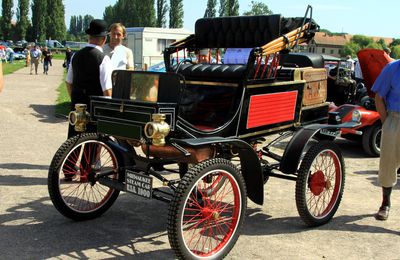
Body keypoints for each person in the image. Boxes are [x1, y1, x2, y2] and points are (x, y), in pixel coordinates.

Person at [65, 19, 113, 138]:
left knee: (73, 143)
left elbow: (68, 82)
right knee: (92, 147)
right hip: (94, 109)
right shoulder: (103, 59)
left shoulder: (76, 55)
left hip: (77, 107)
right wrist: (108, 111)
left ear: (89, 37)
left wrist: (75, 99)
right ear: (104, 39)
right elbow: (107, 90)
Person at [371, 59, 400, 220]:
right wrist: (386, 122)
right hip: (395, 119)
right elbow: (378, 96)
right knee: (388, 162)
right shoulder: (392, 68)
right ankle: (385, 203)